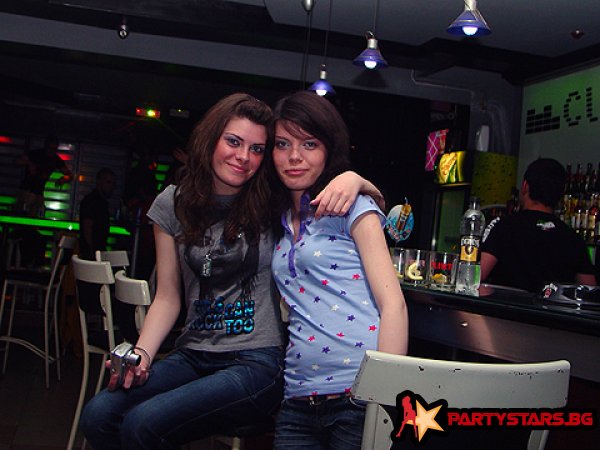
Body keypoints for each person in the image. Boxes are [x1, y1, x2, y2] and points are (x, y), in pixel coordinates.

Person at [80, 93, 381, 449]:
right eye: (234, 142)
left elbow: (355, 200)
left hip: (256, 360)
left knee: (142, 424)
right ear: (211, 139)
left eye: (257, 149)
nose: (243, 157)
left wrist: (355, 179)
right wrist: (142, 355)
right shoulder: (172, 204)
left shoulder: (272, 198)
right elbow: (168, 297)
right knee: (98, 415)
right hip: (192, 352)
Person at [267, 91, 408, 450]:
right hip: (297, 396)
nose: (294, 156)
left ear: (329, 149)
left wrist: (383, 396)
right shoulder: (280, 218)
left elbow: (393, 305)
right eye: (282, 144)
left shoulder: (353, 207)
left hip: (356, 396)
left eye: (309, 144)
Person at [480, 158, 597, 292]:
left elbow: (476, 275)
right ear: (560, 194)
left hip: (505, 305)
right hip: (551, 305)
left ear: (525, 186)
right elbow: (590, 292)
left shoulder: (504, 227)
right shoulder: (573, 239)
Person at [16, 135, 73, 217]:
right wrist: (30, 164)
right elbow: (17, 161)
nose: (52, 151)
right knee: (21, 213)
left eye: (54, 148)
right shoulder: (36, 154)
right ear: (46, 146)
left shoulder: (56, 159)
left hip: (39, 191)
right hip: (26, 189)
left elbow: (69, 175)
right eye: (50, 148)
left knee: (34, 214)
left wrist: (64, 179)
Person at [79, 168, 117, 261]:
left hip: (96, 252)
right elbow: (87, 226)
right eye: (108, 182)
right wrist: (91, 251)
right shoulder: (93, 201)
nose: (111, 186)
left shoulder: (101, 202)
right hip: (92, 253)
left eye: (113, 183)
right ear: (99, 182)